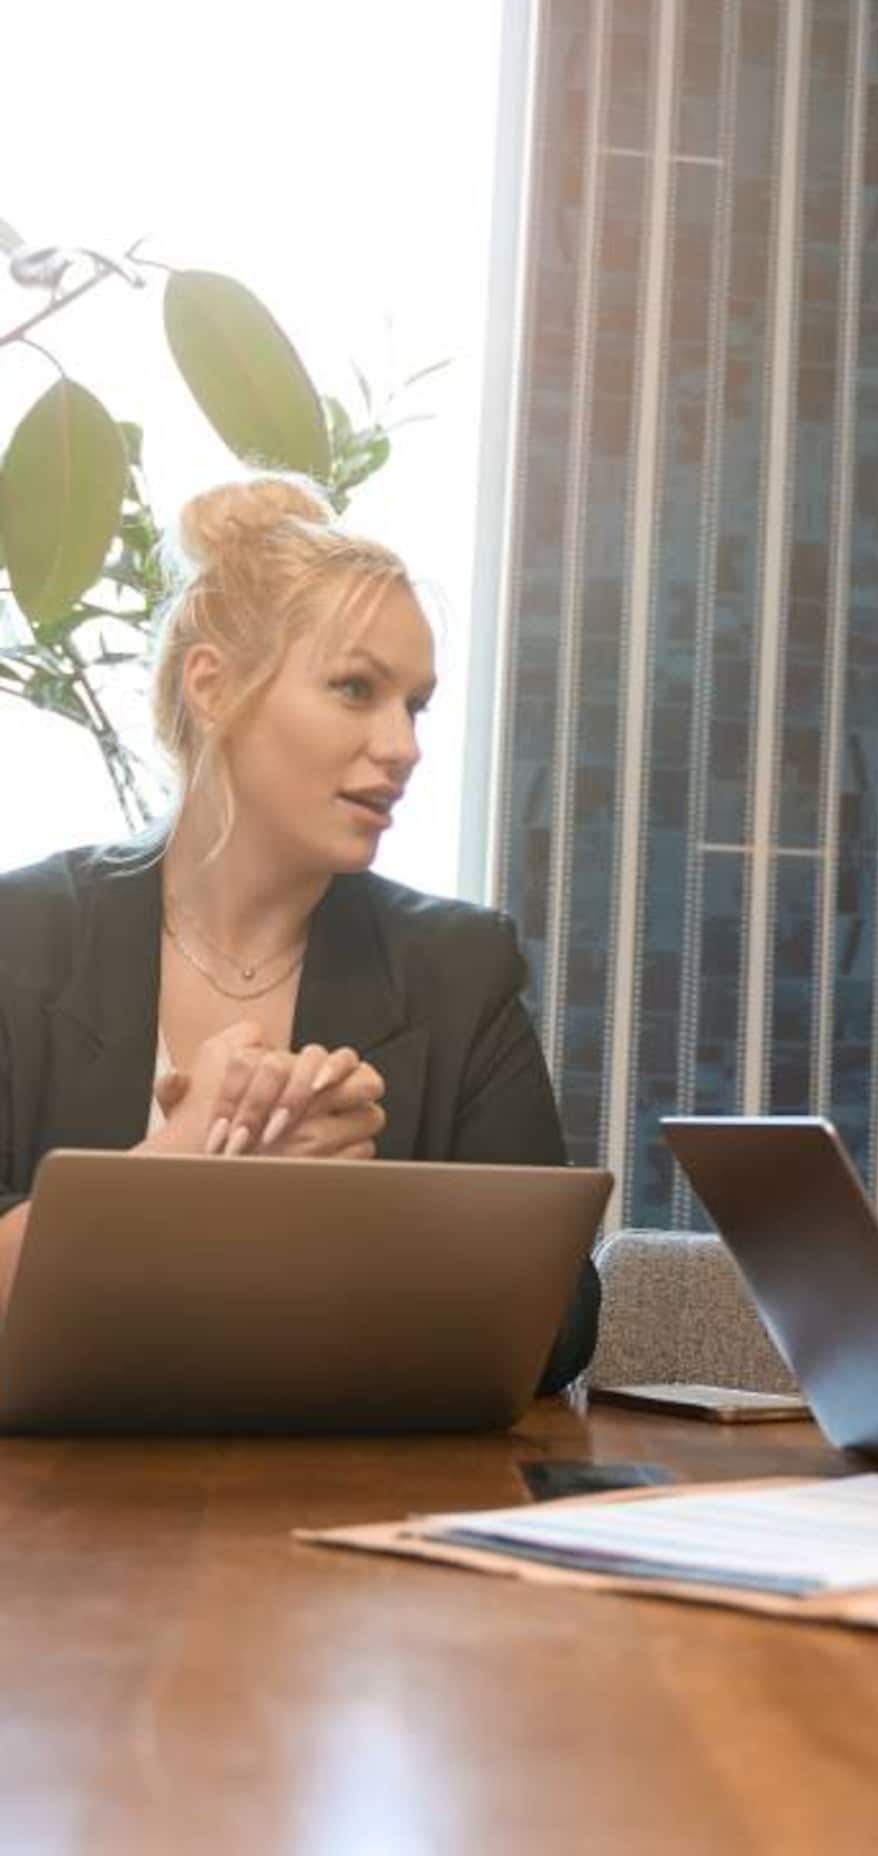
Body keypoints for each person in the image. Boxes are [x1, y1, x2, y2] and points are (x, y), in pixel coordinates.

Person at [0, 476, 599, 1393]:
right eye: (356, 689)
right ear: (212, 686)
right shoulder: (19, 937)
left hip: (345, 1475)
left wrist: (342, 1212)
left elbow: (560, 1321)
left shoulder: (458, 968)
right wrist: (186, 1163)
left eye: (415, 705)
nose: (403, 746)